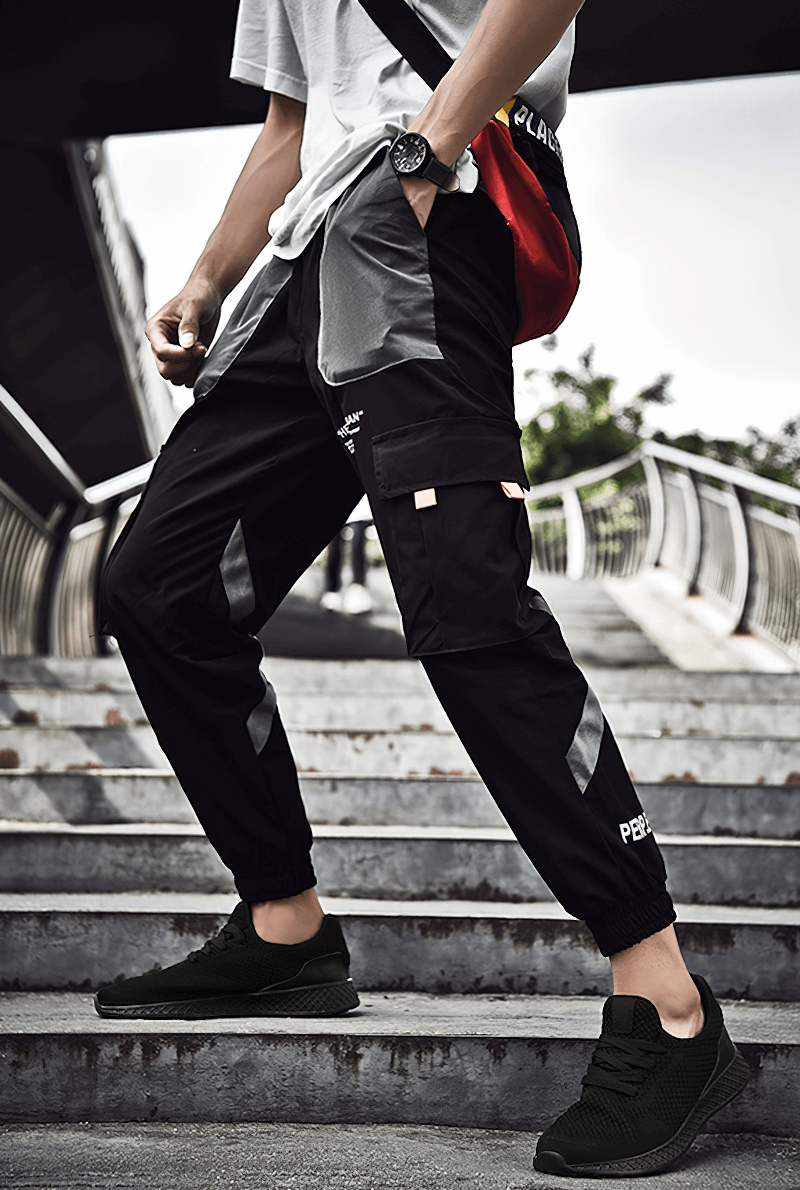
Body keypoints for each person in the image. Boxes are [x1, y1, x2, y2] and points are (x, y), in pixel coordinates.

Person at [95, 0, 749, 1176]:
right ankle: (286, 927)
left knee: (463, 606)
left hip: (423, 222)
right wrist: (206, 273)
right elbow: (288, 125)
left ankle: (668, 1002)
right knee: (159, 582)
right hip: (301, 261)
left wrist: (427, 149)